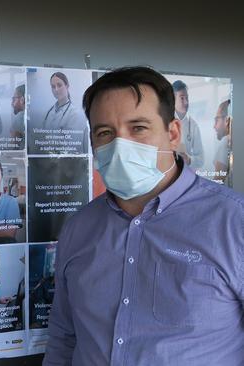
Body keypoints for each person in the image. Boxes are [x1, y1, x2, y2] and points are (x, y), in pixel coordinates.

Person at [44, 66, 244, 365]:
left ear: (173, 133)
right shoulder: (78, 229)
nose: (120, 145)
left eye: (138, 128)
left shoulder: (233, 222)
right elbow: (64, 337)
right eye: (105, 133)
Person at [172, 79, 204, 170]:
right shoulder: (164, 121)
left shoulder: (193, 126)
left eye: (187, 98)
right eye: (182, 98)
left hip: (185, 174)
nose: (186, 102)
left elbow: (201, 159)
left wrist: (189, 160)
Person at [213, 99, 231, 183]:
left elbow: (217, 183)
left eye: (217, 120)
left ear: (227, 120)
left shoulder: (225, 142)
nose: (214, 126)